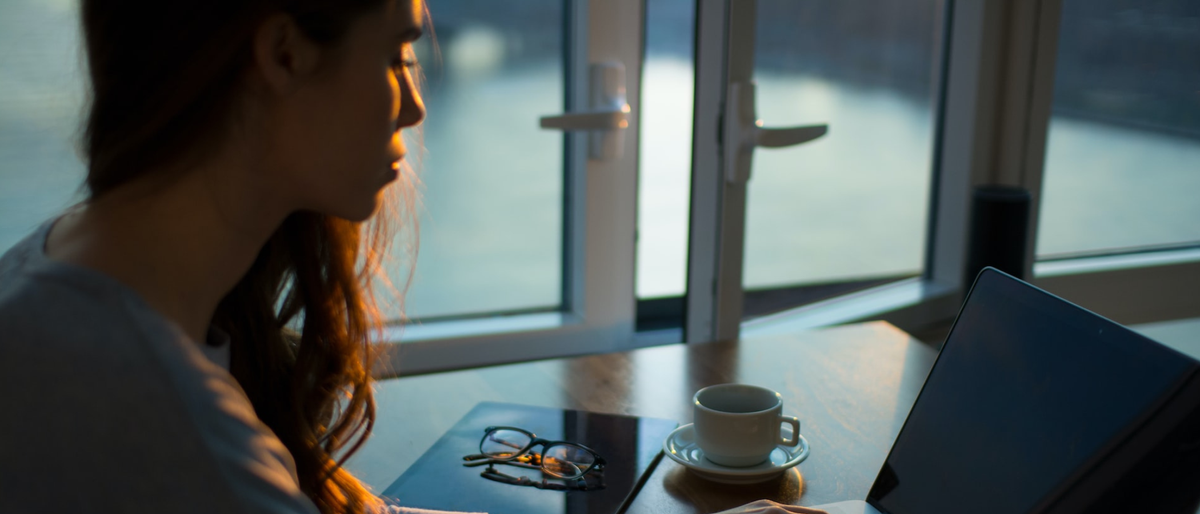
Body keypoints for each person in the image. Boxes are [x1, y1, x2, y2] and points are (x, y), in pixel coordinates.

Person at [0, 0, 829, 513]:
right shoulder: (177, 433)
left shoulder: (52, 279)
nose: (416, 99)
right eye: (397, 52)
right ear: (283, 52)